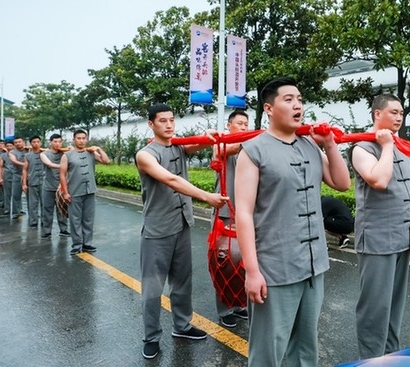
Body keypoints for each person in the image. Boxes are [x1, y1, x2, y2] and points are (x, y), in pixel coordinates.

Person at [234, 76, 350, 366]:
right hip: (275, 268)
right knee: (268, 351)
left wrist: (330, 146)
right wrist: (252, 271)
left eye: (299, 99)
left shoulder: (310, 146)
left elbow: (341, 183)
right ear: (269, 108)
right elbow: (244, 214)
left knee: (305, 346)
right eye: (289, 99)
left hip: (313, 265)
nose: (297, 105)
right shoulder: (253, 151)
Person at [135, 103, 228, 360]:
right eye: (162, 121)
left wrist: (209, 134)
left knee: (182, 281)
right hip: (157, 230)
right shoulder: (145, 154)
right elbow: (172, 180)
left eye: (171, 120)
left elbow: (199, 143)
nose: (168, 124)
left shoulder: (178, 146)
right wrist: (206, 197)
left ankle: (182, 326)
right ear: (151, 125)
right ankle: (151, 337)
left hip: (181, 224)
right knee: (153, 288)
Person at [349, 93, 410, 359]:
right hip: (378, 240)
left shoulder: (400, 146)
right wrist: (387, 146)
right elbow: (379, 181)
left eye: (401, 113)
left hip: (401, 237)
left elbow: (404, 193)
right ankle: (370, 360)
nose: (399, 118)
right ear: (377, 114)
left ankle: (390, 357)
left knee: (394, 306)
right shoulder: (362, 148)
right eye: (394, 112)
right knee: (375, 309)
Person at [210, 109, 250, 328]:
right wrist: (253, 140)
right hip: (226, 212)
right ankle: (225, 309)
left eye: (246, 124)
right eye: (240, 123)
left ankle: (240, 304)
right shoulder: (221, 143)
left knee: (244, 261)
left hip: (247, 212)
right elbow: (221, 153)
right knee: (224, 262)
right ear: (229, 125)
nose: (244, 127)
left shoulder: (250, 147)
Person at [59, 129, 110, 255]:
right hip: (75, 192)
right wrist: (65, 192)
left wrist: (98, 149)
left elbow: (106, 161)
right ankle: (76, 245)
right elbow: (62, 175)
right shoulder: (67, 155)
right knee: (75, 219)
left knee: (88, 219)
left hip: (90, 191)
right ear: (74, 140)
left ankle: (87, 243)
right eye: (79, 138)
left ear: (86, 140)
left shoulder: (91, 153)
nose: (81, 141)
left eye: (83, 138)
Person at [40, 134, 70, 239]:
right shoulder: (44, 154)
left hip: (62, 186)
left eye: (59, 142)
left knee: (62, 209)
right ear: (50, 142)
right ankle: (47, 231)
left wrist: (71, 150)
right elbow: (49, 164)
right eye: (55, 141)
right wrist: (63, 166)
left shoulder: (65, 154)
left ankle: (64, 230)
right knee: (47, 209)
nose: (58, 144)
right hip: (48, 186)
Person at [22, 135, 45, 228]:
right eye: (34, 142)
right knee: (33, 203)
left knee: (45, 203)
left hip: (44, 181)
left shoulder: (45, 153)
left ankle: (44, 221)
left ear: (40, 143)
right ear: (31, 144)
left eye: (38, 142)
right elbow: (25, 169)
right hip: (32, 181)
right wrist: (24, 183)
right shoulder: (27, 155)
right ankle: (33, 222)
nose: (36, 144)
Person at [8, 136, 28, 219]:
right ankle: (16, 212)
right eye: (16, 142)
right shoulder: (12, 152)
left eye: (19, 142)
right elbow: (14, 161)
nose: (18, 144)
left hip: (29, 175)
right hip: (17, 174)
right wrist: (26, 165)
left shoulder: (29, 150)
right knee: (16, 195)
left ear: (23, 142)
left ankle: (33, 213)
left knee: (32, 196)